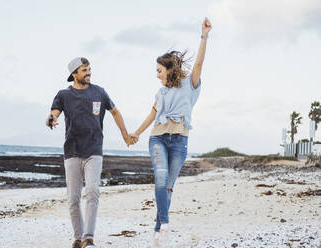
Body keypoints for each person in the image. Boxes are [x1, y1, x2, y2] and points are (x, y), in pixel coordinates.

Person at [130, 18, 212, 247]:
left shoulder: (190, 84)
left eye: (158, 70)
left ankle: (158, 229)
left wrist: (204, 36)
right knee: (160, 177)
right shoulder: (161, 92)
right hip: (157, 138)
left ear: (168, 69)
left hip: (179, 141)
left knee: (168, 187)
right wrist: (135, 133)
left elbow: (198, 64)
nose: (156, 74)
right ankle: (164, 222)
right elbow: (151, 116)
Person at [46, 57, 133, 248]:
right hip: (72, 151)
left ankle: (89, 238)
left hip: (94, 150)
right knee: (73, 198)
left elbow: (115, 112)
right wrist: (51, 118)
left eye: (89, 69)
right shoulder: (63, 95)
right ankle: (78, 238)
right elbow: (54, 112)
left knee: (93, 191)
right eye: (84, 70)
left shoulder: (100, 93)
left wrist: (125, 135)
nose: (88, 73)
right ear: (74, 74)